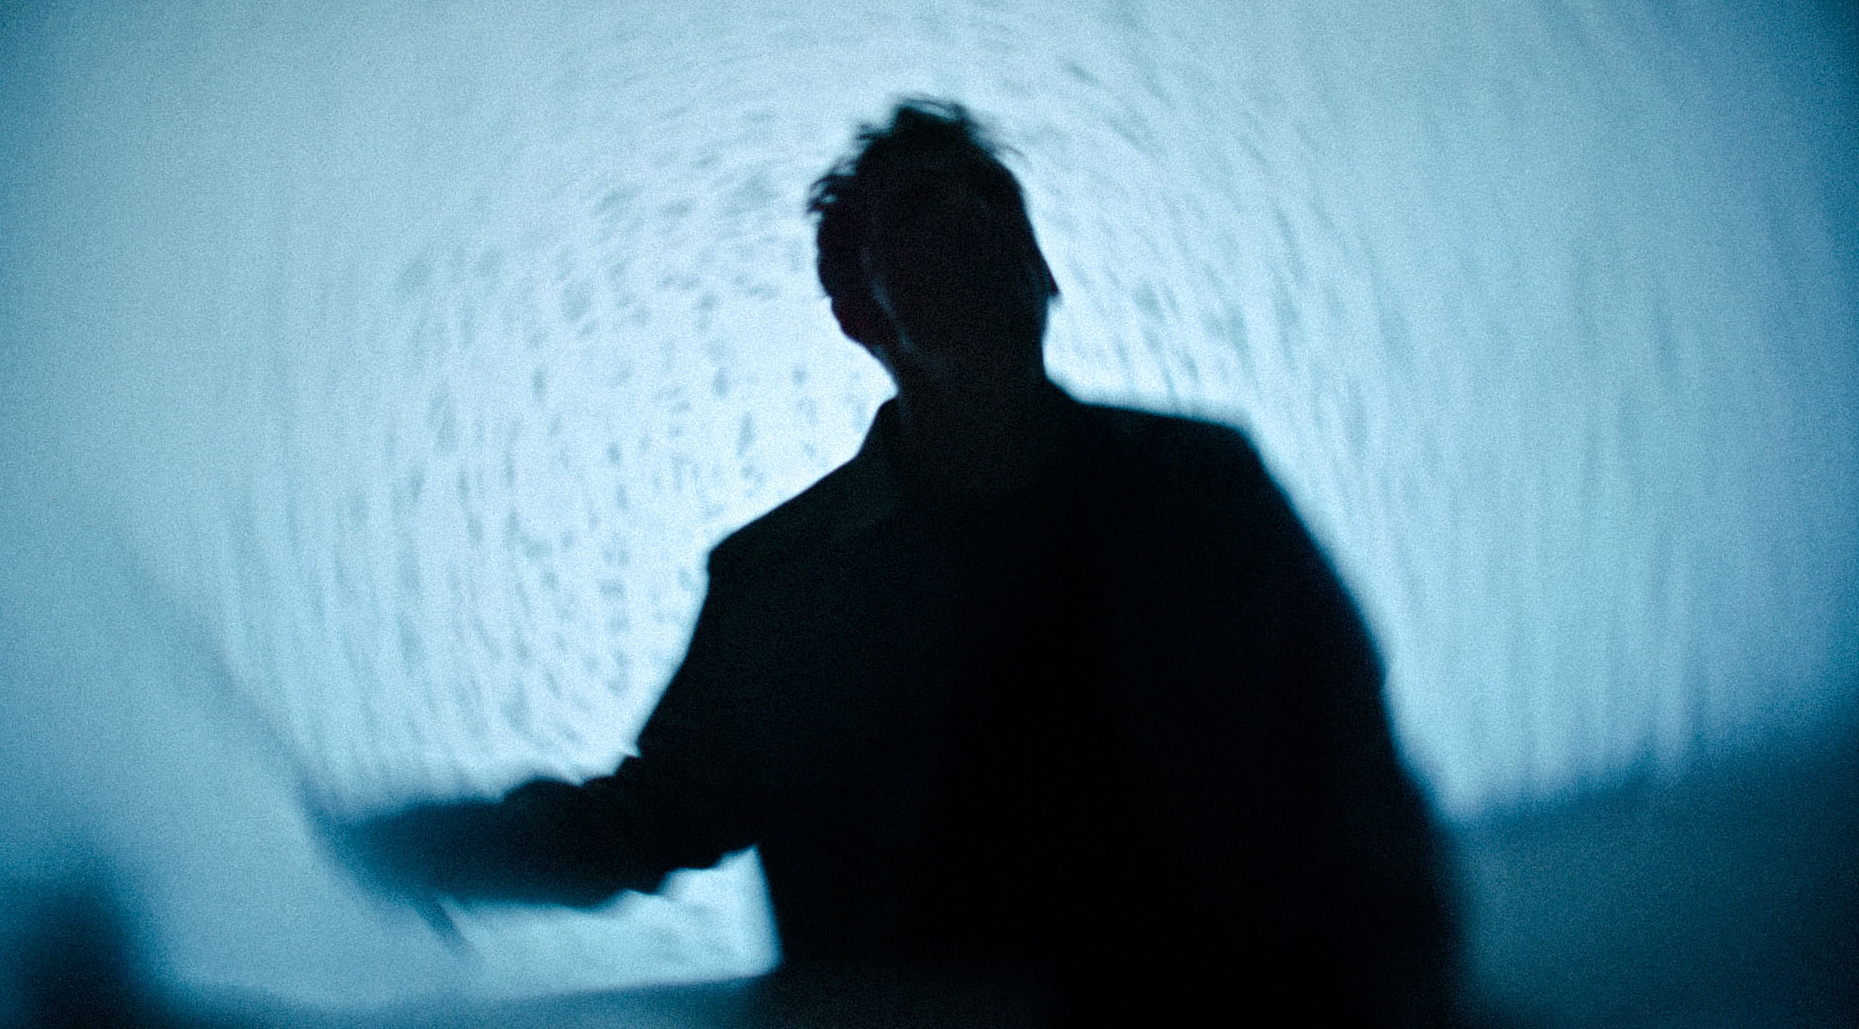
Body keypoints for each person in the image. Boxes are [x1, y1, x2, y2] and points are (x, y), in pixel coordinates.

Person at [326, 100, 1459, 1026]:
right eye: (921, 209)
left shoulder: (1203, 484)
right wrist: (418, 848)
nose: (971, 216)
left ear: (1044, 266)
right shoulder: (784, 584)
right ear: (857, 309)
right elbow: (645, 820)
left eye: (993, 195)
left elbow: (1349, 753)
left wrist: (1404, 981)